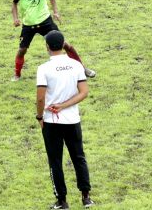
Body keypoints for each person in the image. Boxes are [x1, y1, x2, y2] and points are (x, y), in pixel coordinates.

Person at [36, 31, 95, 209]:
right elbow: (84, 92)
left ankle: (62, 201)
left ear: (47, 47)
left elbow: (40, 98)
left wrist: (40, 116)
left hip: (51, 121)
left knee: (55, 161)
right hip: (72, 120)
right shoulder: (76, 65)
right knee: (78, 157)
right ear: (63, 45)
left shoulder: (44, 68)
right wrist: (65, 105)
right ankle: (86, 197)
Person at [11, 0, 96, 81]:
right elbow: (14, 3)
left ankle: (83, 69)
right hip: (28, 24)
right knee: (22, 50)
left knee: (66, 44)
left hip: (45, 21)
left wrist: (56, 11)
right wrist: (15, 19)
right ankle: (17, 74)